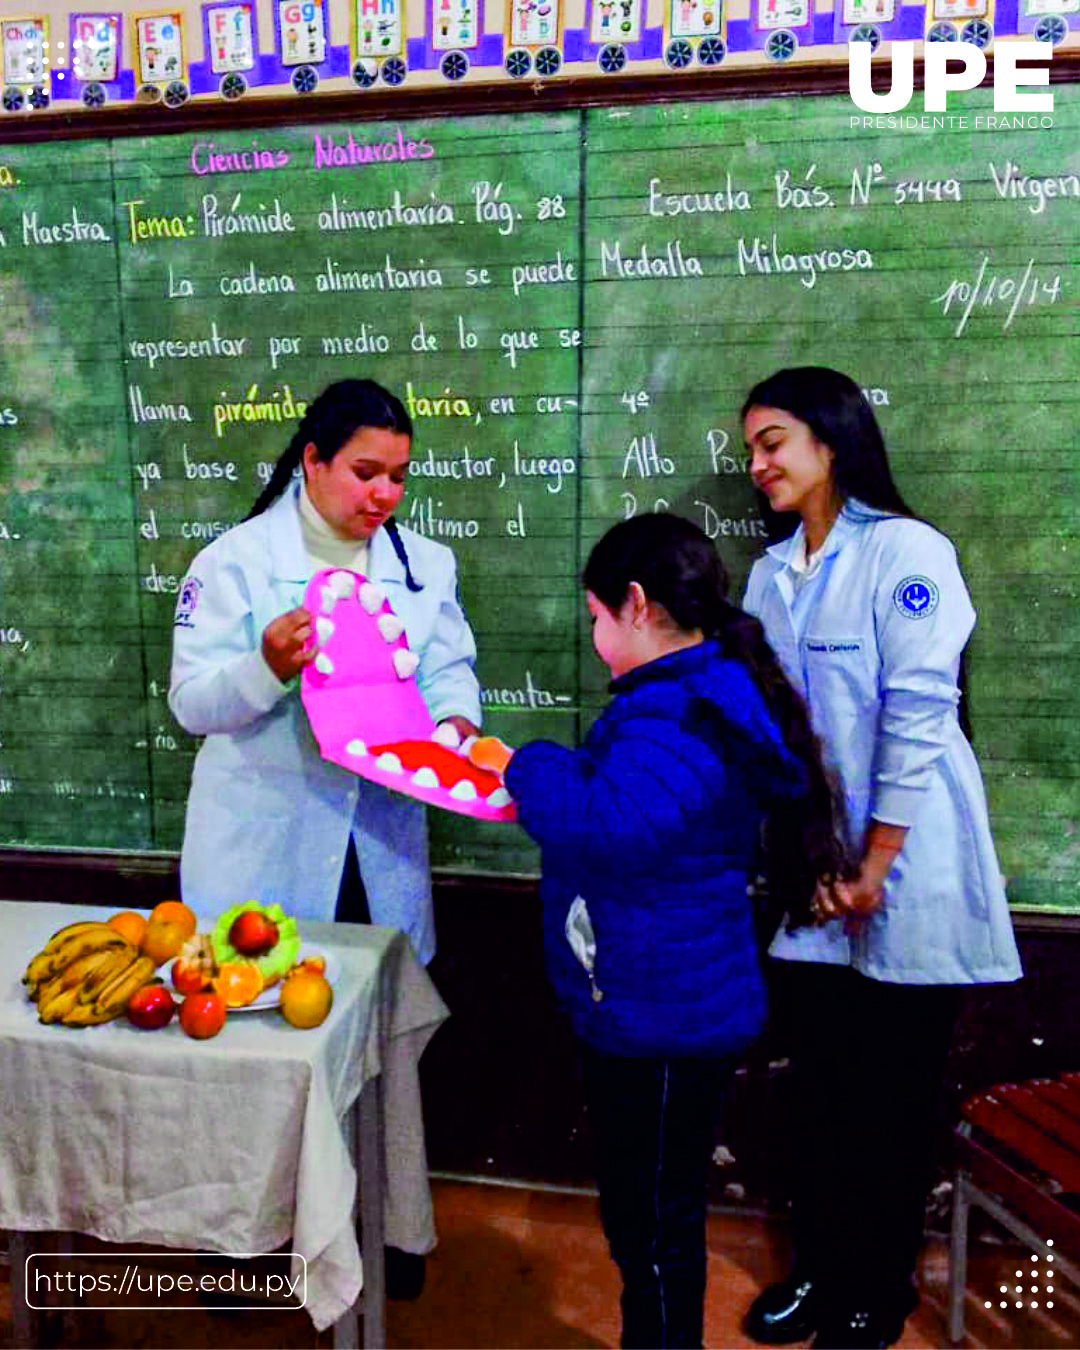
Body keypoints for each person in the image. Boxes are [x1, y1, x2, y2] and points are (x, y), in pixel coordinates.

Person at [497, 513, 848, 1350]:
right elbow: (643, 814)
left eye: (594, 619)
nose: (594, 638)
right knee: (651, 1212)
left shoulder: (674, 713)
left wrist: (528, 762)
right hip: (668, 1002)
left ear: (636, 604)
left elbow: (609, 826)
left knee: (653, 1229)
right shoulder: (694, 696)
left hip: (663, 1017)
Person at [739, 368, 1022, 1350]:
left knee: (891, 1098)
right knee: (817, 1088)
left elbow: (915, 716)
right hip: (820, 872)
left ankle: (878, 1287)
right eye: (752, 449)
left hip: (905, 867)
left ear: (830, 437)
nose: (758, 463)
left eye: (773, 441)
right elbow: (778, 729)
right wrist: (813, 857)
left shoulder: (908, 552)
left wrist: (874, 864)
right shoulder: (770, 574)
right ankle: (819, 1273)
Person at [169, 377, 481, 962]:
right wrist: (265, 666)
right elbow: (190, 703)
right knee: (270, 1015)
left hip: (380, 848)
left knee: (380, 1005)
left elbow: (448, 670)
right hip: (267, 846)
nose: (385, 494)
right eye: (365, 474)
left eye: (398, 477)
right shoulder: (234, 562)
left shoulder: (426, 564)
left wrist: (455, 723)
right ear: (313, 461)